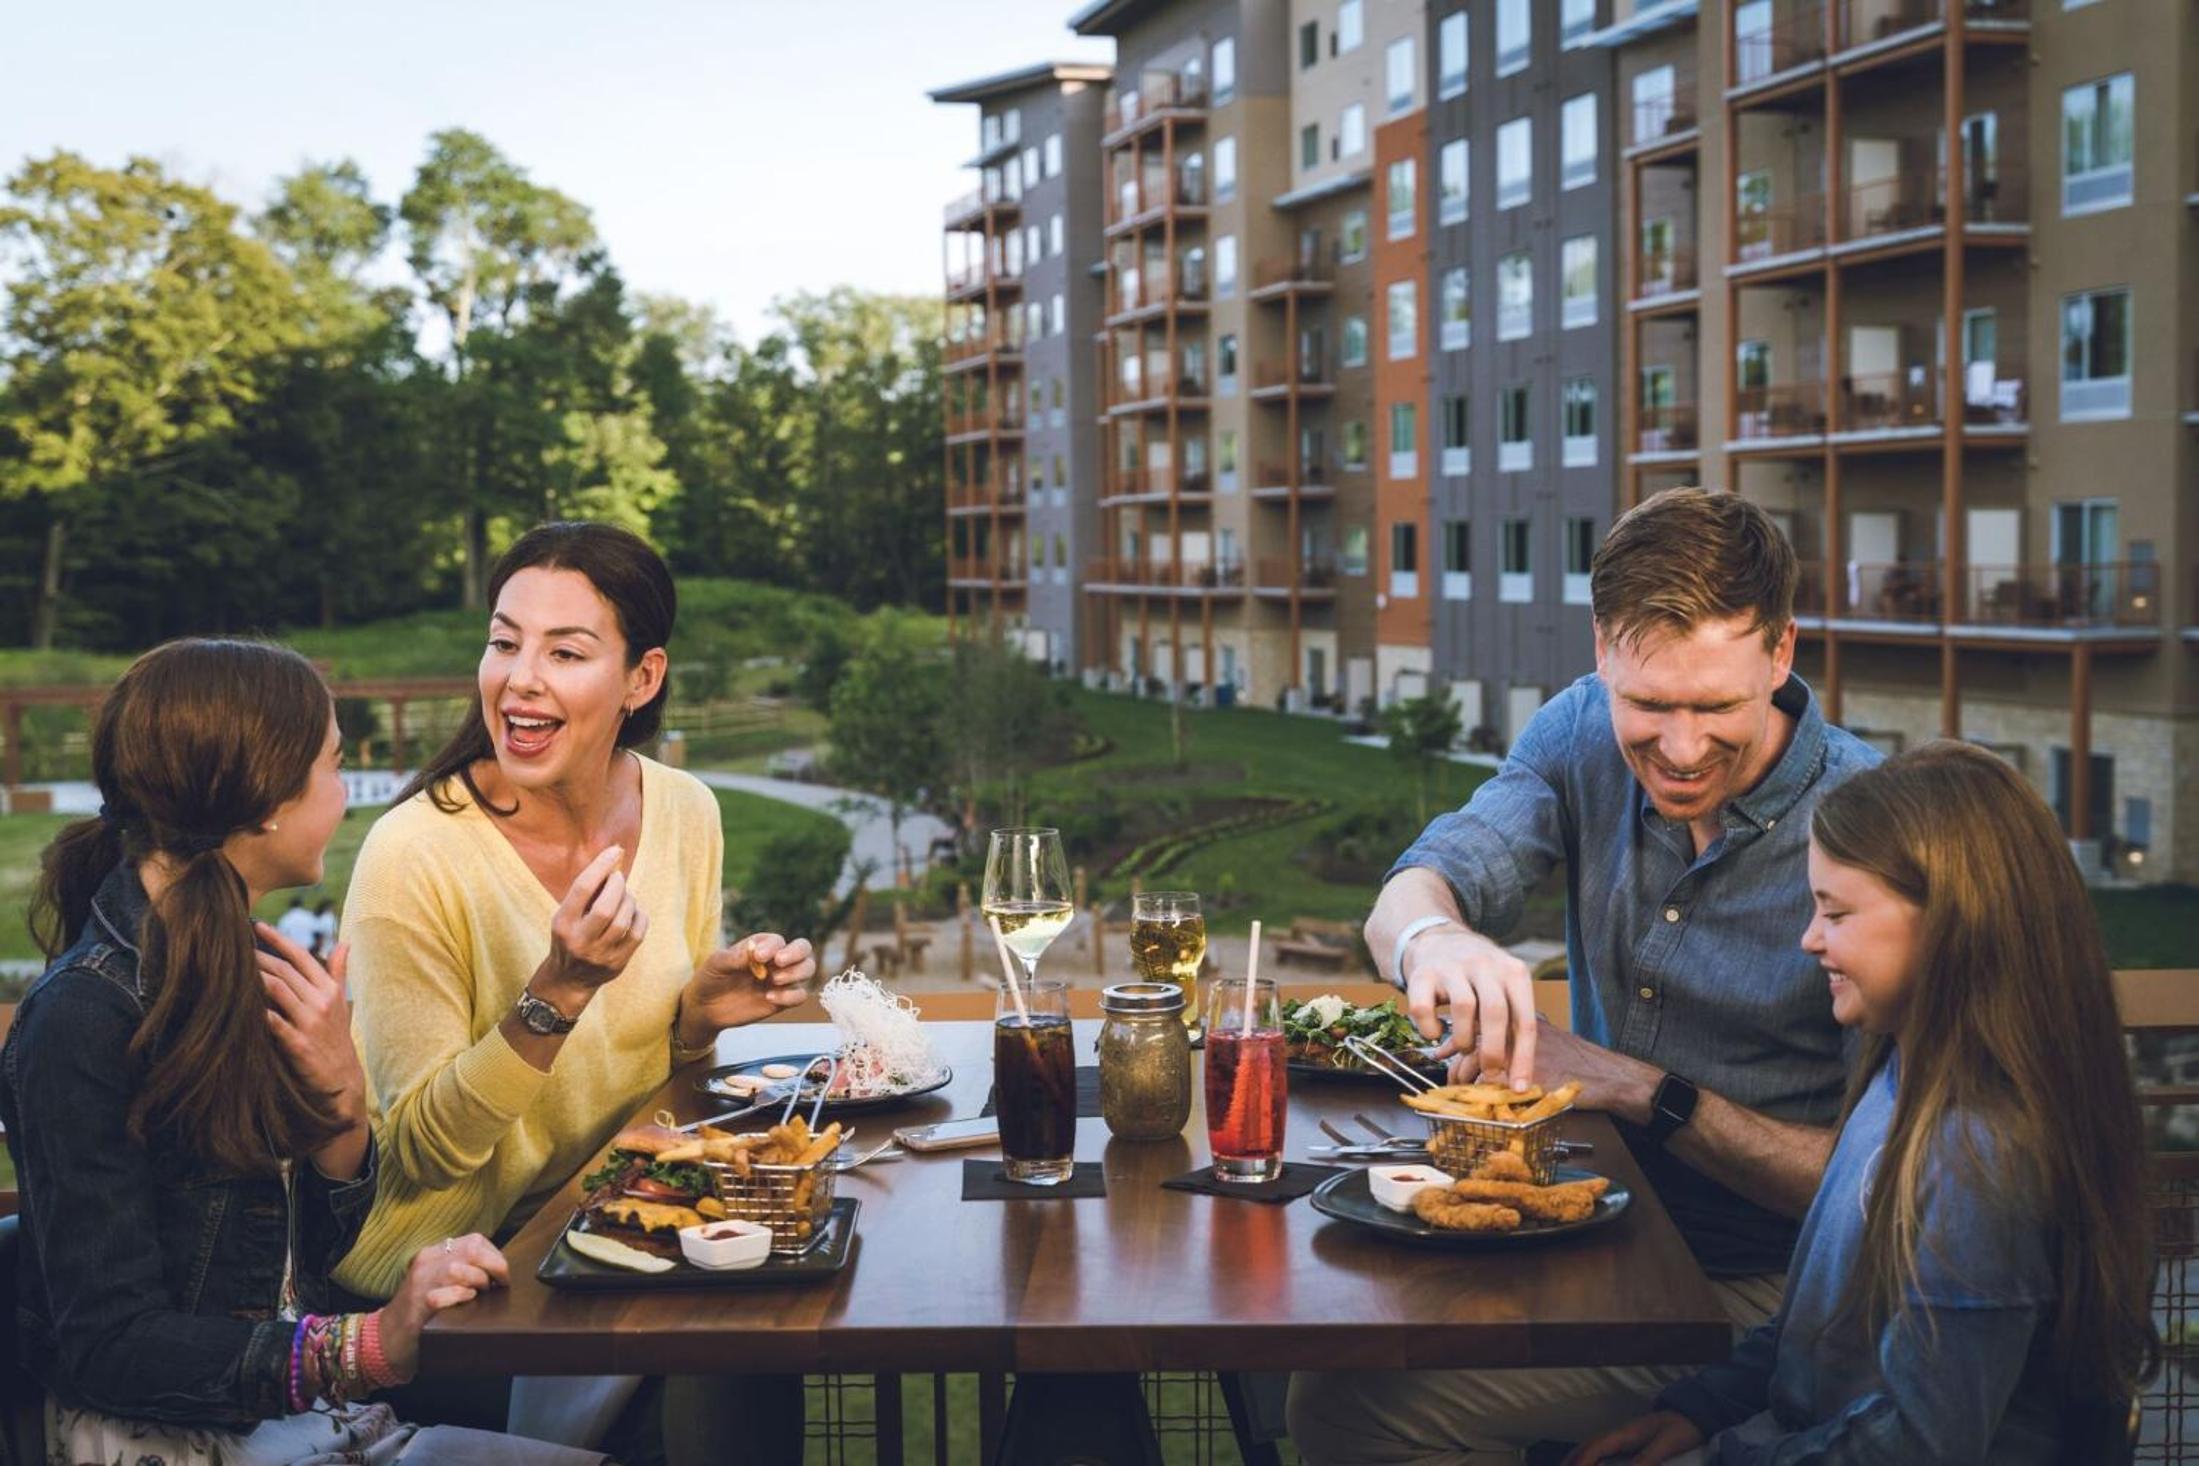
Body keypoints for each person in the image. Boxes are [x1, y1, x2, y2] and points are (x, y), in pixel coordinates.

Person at [1291, 488, 1882, 1461]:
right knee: (1311, 1320)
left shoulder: (1871, 824)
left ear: (1780, 653)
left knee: (1352, 1406)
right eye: (1648, 704)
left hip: (1770, 1287)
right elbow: (1421, 882)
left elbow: (1883, 1188)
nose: (1681, 750)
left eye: (1716, 706)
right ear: (1602, 647)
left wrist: (1641, 1089)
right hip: (1586, 1234)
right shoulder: (1577, 730)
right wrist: (1432, 936)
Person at [5, 637, 597, 1464]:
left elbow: (295, 1272)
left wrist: (339, 1111)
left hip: (295, 1422)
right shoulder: (83, 1017)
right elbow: (112, 1346)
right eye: (333, 765)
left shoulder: (243, 963)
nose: (344, 794)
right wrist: (369, 1346)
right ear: (265, 801)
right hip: (168, 1444)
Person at [334, 522, 814, 1461]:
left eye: (565, 652)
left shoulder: (685, 811)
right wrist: (556, 992)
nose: (520, 679)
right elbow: (424, 1153)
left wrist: (695, 1019)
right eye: (504, 642)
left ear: (642, 678)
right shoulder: (413, 854)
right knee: (733, 1354)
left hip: (614, 1232)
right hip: (458, 1282)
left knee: (765, 1331)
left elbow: (632, 1090)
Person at [1568, 743, 2155, 1464]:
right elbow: (1813, 1323)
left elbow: (1921, 1444)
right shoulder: (1896, 1076)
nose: (1808, 939)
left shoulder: (1981, 1156)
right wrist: (1702, 1412)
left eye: (1836, 913)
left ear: (1951, 924)